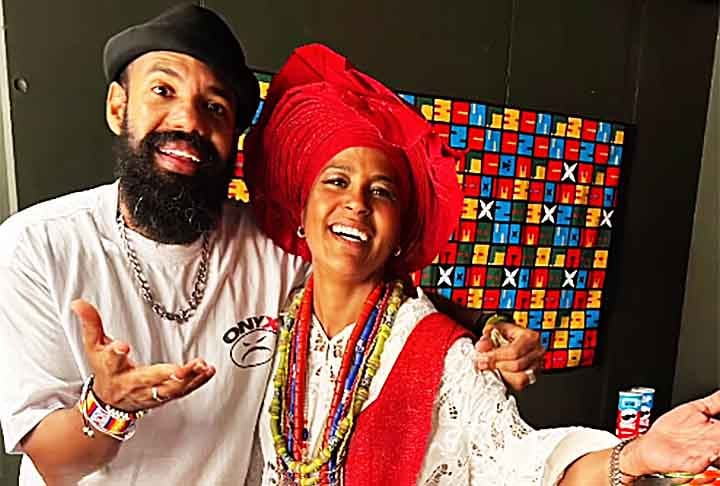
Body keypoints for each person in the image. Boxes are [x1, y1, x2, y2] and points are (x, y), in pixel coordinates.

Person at [0, 5, 542, 486]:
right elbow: (56, 465)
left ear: (234, 135)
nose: (188, 120)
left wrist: (485, 328)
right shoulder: (37, 248)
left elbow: (375, 289)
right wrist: (108, 406)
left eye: (215, 107)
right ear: (118, 106)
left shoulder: (270, 247)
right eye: (163, 91)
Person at [243, 43, 720, 485]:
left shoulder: (447, 355)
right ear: (300, 209)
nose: (357, 203)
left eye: (382, 191)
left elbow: (522, 465)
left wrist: (636, 456)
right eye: (336, 180)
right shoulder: (273, 316)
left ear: (400, 235)